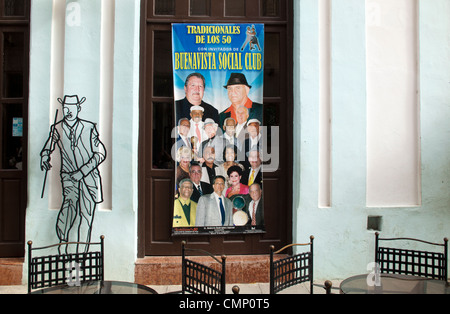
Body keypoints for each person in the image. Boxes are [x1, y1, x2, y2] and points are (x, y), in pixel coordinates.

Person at [40, 95, 106, 253]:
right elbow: (49, 146)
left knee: (86, 216)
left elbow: (100, 153)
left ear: (78, 108)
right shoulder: (57, 128)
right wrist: (44, 156)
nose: (69, 111)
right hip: (68, 177)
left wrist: (83, 171)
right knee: (68, 208)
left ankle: (81, 255)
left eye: (72, 107)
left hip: (88, 178)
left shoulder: (89, 127)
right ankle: (63, 247)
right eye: (66, 108)